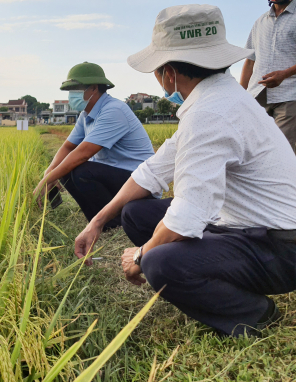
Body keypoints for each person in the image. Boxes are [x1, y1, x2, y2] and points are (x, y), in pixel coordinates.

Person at [74, 4, 296, 337]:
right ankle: (206, 281)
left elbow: (186, 217)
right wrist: (98, 221)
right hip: (242, 223)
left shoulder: (211, 113)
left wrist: (141, 255)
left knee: (160, 263)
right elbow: (151, 172)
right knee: (136, 213)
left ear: (169, 74)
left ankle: (255, 313)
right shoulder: (217, 98)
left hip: (279, 247)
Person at [33, 62, 154, 230]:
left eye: (76, 89)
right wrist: (49, 175)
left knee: (80, 170)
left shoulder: (113, 110)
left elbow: (82, 154)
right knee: (65, 170)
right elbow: (68, 147)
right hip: (115, 176)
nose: (71, 95)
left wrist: (47, 179)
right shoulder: (86, 115)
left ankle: (113, 223)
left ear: (94, 88)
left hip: (138, 182)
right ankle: (97, 220)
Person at [240, 0, 296, 151]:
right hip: (257, 97)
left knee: (283, 150)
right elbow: (250, 62)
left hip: (289, 96)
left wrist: (284, 74)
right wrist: (239, 95)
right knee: (254, 150)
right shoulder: (260, 22)